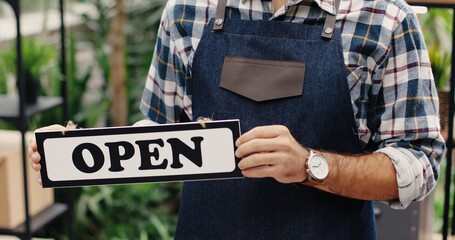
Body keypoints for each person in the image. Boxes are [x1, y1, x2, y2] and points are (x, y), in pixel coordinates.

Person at [30, 0, 446, 239]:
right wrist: (75, 153)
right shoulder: (186, 12)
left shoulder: (384, 20)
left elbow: (420, 162)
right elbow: (160, 133)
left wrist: (310, 165)